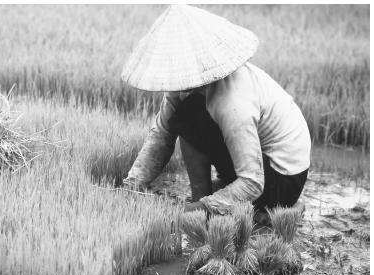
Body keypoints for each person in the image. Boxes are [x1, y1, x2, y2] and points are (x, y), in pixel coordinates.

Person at [120, 4, 311, 216]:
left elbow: (253, 182)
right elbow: (162, 135)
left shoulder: (233, 102)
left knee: (189, 118)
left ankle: (262, 210)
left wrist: (201, 209)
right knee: (184, 116)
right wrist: (132, 184)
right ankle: (203, 198)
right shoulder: (182, 83)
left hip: (282, 178)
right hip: (260, 166)